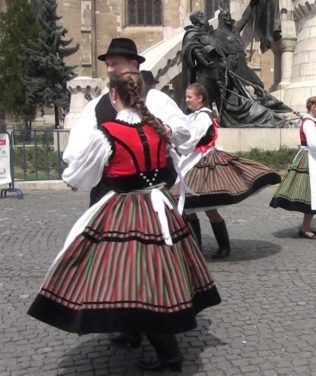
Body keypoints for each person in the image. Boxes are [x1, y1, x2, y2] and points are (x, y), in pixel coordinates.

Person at [27, 68, 221, 371]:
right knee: (157, 275)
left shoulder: (105, 133)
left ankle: (168, 353)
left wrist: (82, 174)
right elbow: (172, 167)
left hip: (125, 209)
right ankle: (135, 332)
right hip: (160, 208)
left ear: (113, 94)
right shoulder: (158, 128)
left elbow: (78, 176)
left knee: (126, 275)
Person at [63, 38, 189, 206]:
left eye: (114, 64)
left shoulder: (156, 99)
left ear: (134, 65)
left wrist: (168, 130)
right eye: (107, 65)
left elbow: (185, 130)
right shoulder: (95, 106)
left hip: (157, 199)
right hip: (111, 197)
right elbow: (76, 150)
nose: (109, 70)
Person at [171, 83, 281, 258]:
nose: (186, 100)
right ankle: (196, 247)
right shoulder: (194, 116)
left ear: (200, 98)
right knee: (190, 205)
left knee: (207, 206)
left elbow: (191, 140)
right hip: (192, 161)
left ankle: (222, 247)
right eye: (186, 97)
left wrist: (176, 143)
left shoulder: (203, 117)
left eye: (189, 97)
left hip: (202, 161)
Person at [269, 96, 316, 239]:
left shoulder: (310, 122)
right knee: (310, 195)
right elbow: (313, 144)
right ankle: (305, 228)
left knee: (311, 196)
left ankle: (305, 226)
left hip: (311, 158)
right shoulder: (308, 123)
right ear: (313, 107)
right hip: (309, 160)